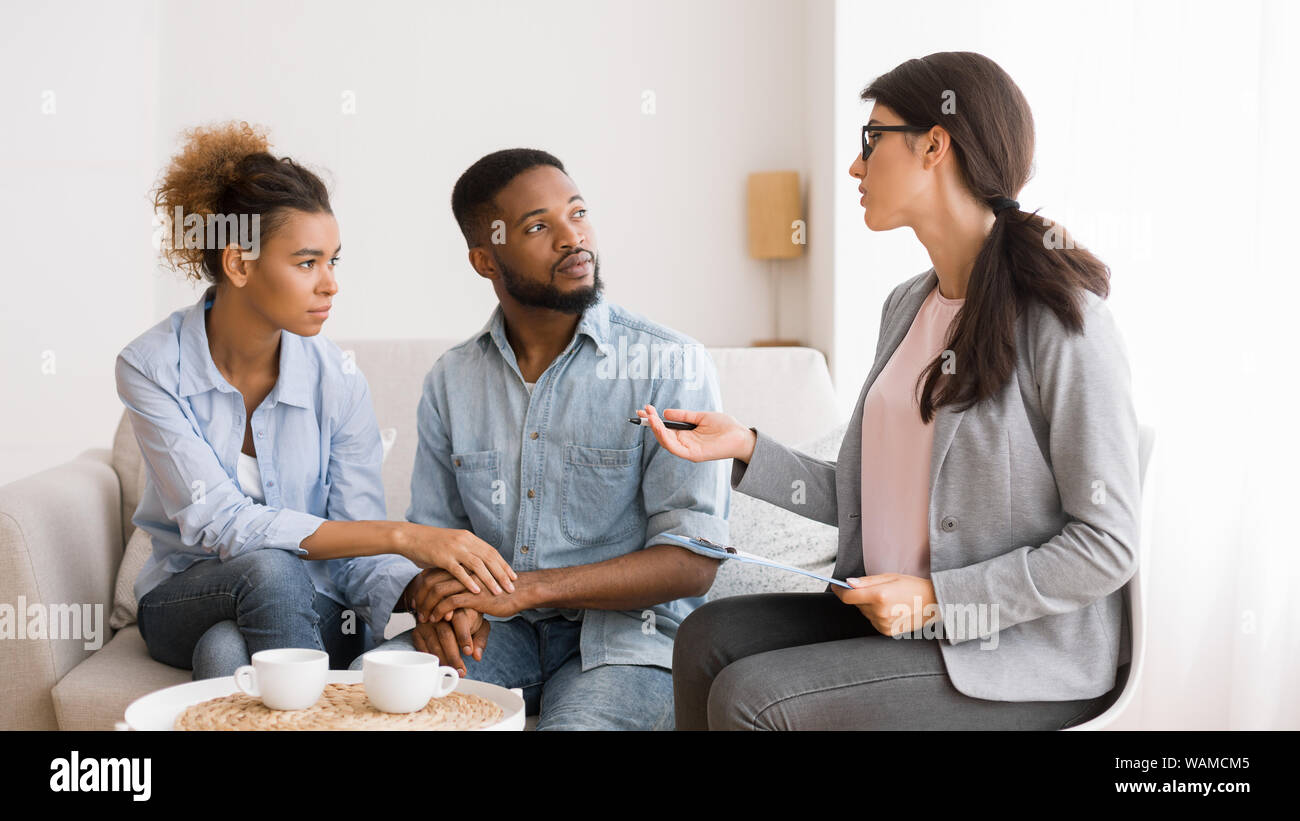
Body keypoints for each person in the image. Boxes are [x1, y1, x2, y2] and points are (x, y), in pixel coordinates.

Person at [637, 51, 1141, 730]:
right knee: (703, 641)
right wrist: (746, 447)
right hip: (892, 623)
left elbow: (1106, 544)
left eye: (871, 139)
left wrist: (937, 599)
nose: (854, 165)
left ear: (936, 144)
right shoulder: (906, 306)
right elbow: (867, 494)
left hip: (1009, 652)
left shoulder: (1063, 319)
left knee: (751, 695)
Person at [118, 121, 515, 680]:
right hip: (186, 597)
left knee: (224, 654)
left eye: (334, 261)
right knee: (269, 569)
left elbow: (356, 551)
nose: (330, 284)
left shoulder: (339, 379)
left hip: (314, 605)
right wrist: (404, 535)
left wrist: (423, 596)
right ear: (239, 264)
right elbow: (222, 525)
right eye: (307, 263)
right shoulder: (153, 365)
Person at [350, 148, 730, 731]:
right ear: (486, 259)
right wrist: (439, 602)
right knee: (368, 694)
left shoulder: (668, 362)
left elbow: (692, 562)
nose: (571, 238)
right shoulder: (452, 380)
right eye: (538, 226)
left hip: (628, 643)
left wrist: (524, 590)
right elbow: (434, 541)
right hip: (493, 638)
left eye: (578, 214)